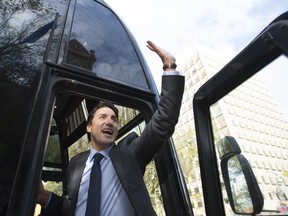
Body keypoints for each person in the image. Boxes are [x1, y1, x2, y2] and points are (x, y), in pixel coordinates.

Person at [37, 40, 185, 216]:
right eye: (103, 117)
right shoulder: (76, 163)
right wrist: (44, 197)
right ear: (89, 127)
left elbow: (164, 121)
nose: (110, 122)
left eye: (114, 119)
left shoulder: (131, 152)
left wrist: (170, 66)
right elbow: (72, 206)